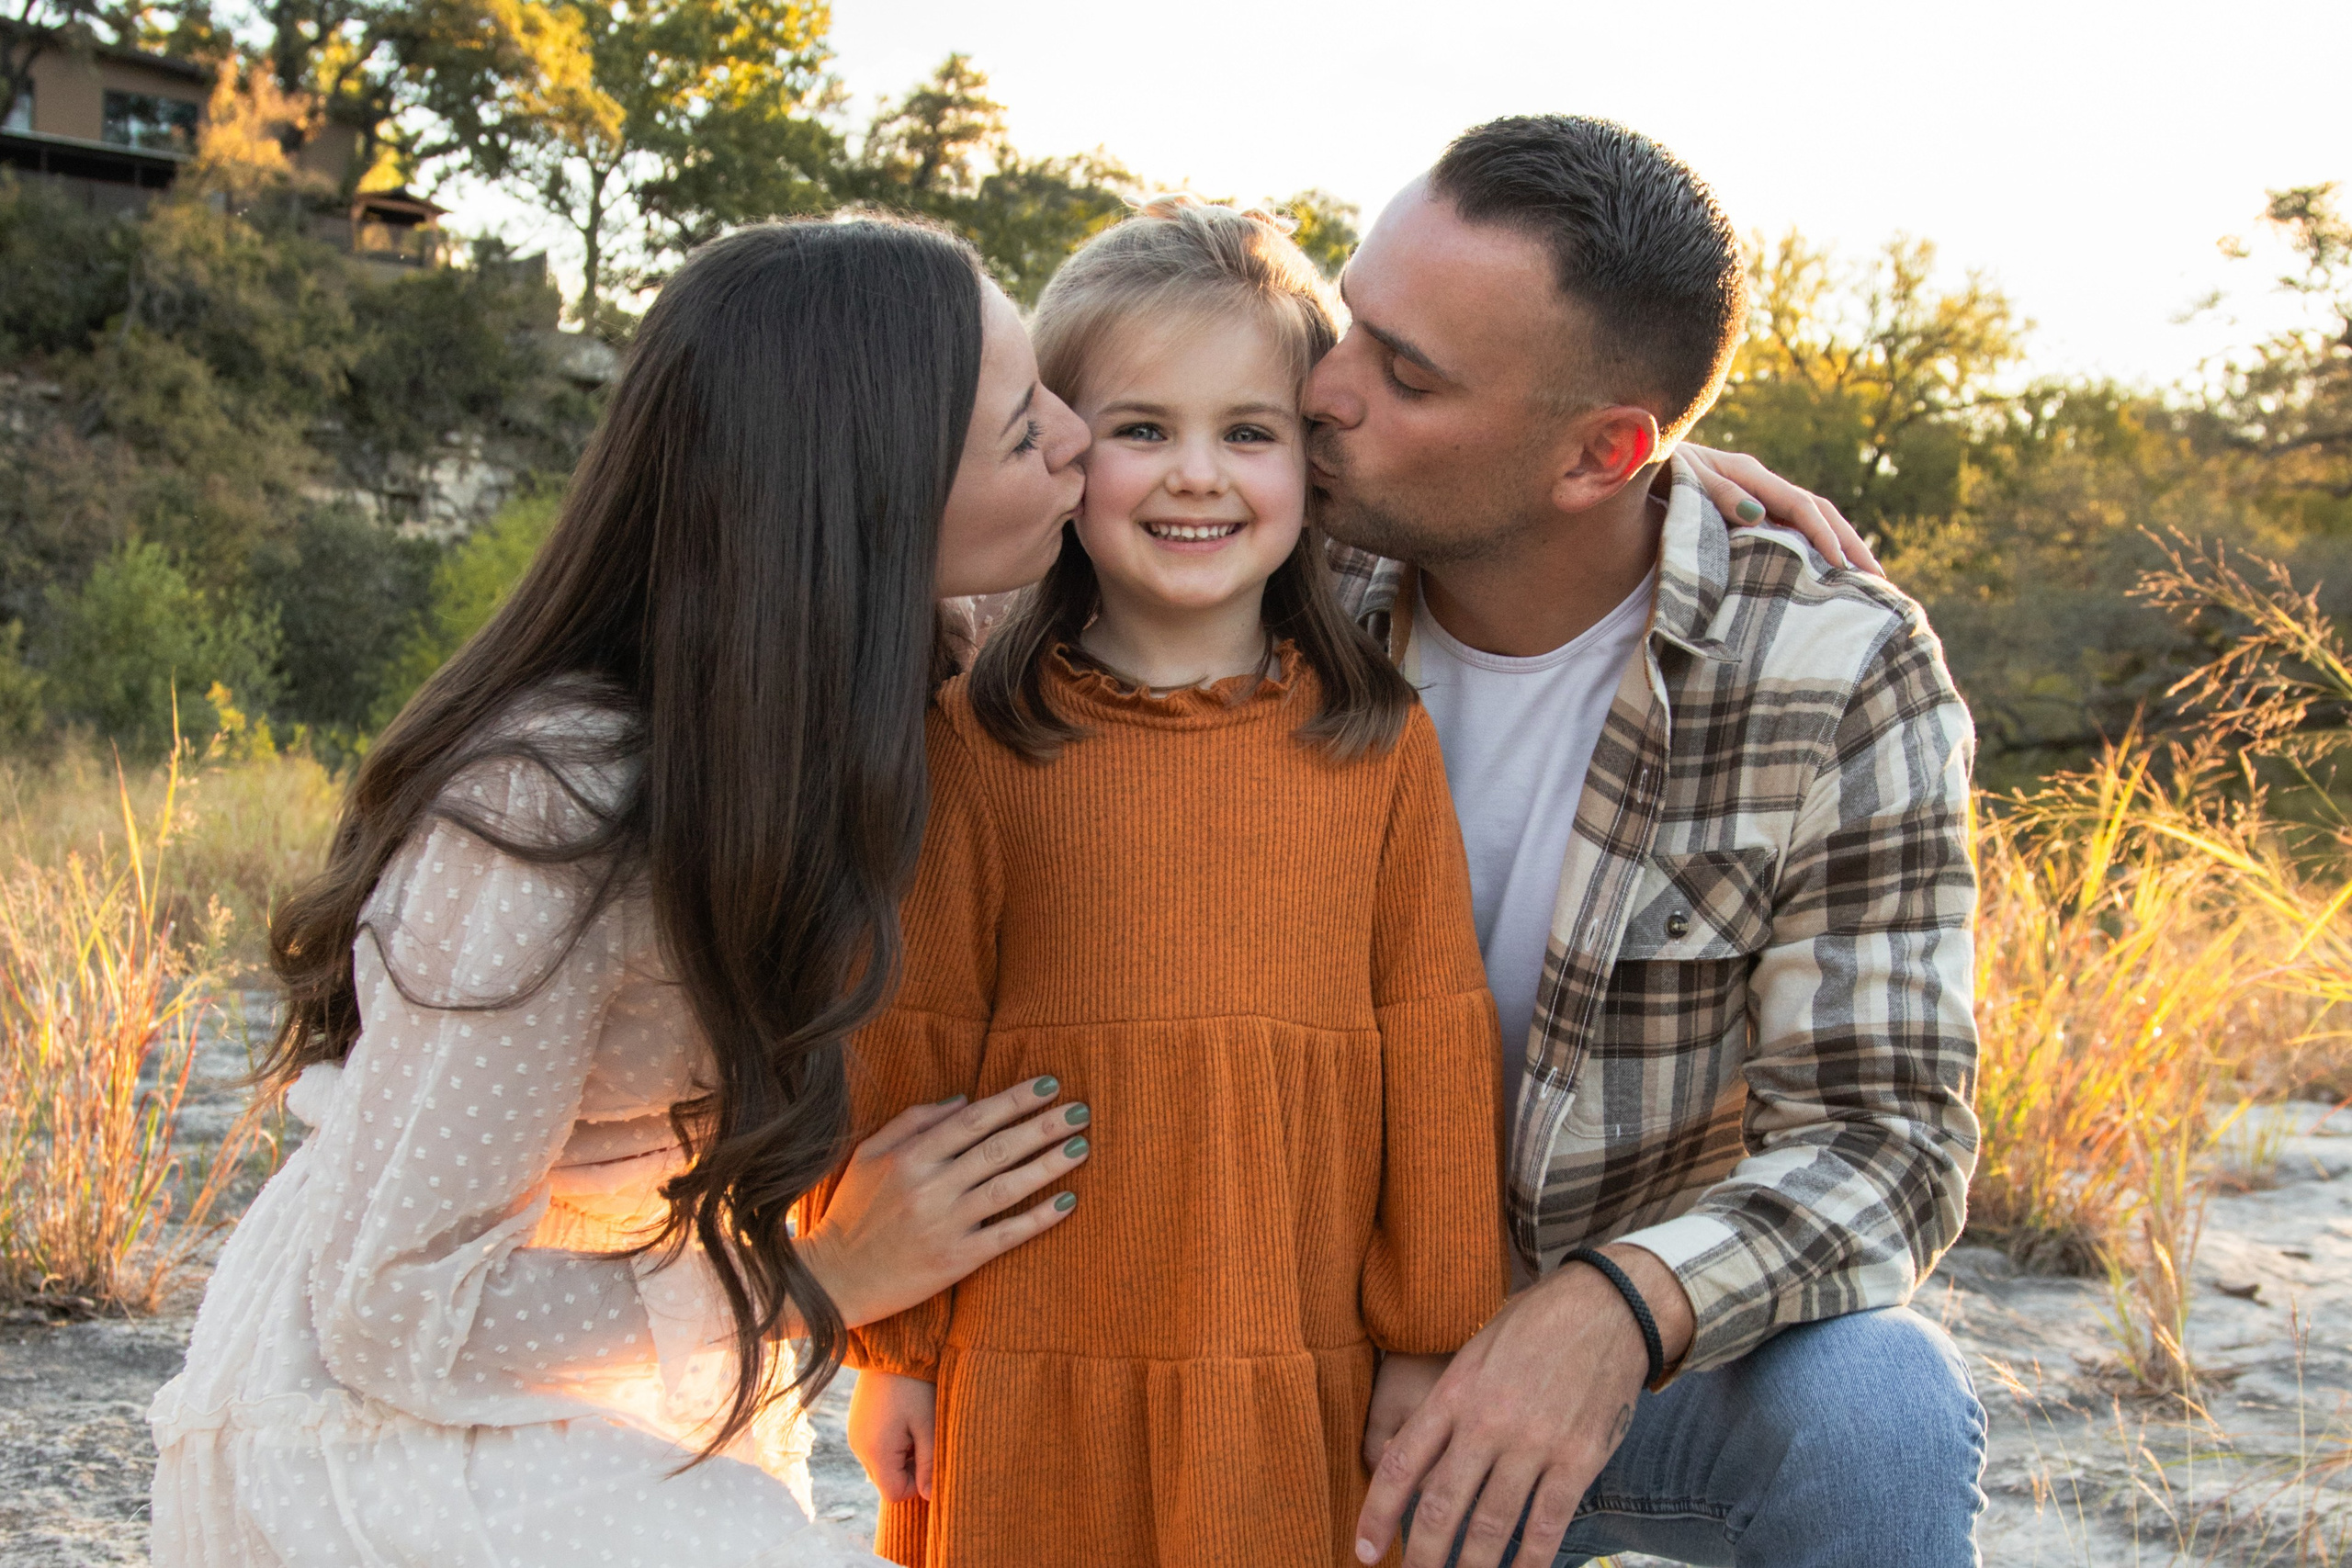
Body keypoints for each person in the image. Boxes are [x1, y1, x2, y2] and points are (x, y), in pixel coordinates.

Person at [147, 218, 1110, 1567]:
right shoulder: (551, 801)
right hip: (380, 1427)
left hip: (633, 1374)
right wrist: (825, 1280)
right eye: (1026, 431)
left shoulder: (899, 670)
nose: (1082, 443)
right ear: (870, 501)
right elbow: (393, 1312)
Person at [1310, 118, 1985, 1568]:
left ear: (1604, 453)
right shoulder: (1249, 550)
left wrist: (1617, 1306)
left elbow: (1889, 1138)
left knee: (1879, 1407)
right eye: (1343, 318)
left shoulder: (1829, 664)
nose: (1321, 391)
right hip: (1271, 1350)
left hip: (1607, 1376)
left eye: (1404, 376)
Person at [828, 197, 1509, 1568]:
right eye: (1143, 429)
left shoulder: (1377, 744)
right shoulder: (975, 736)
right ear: (1063, 450)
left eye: (1246, 432)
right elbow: (910, 1043)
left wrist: (1427, 1342)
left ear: (1310, 464)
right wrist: (892, 1353)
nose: (1197, 474)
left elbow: (1434, 1050)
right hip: (1018, 1356)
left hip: (1288, 1355)